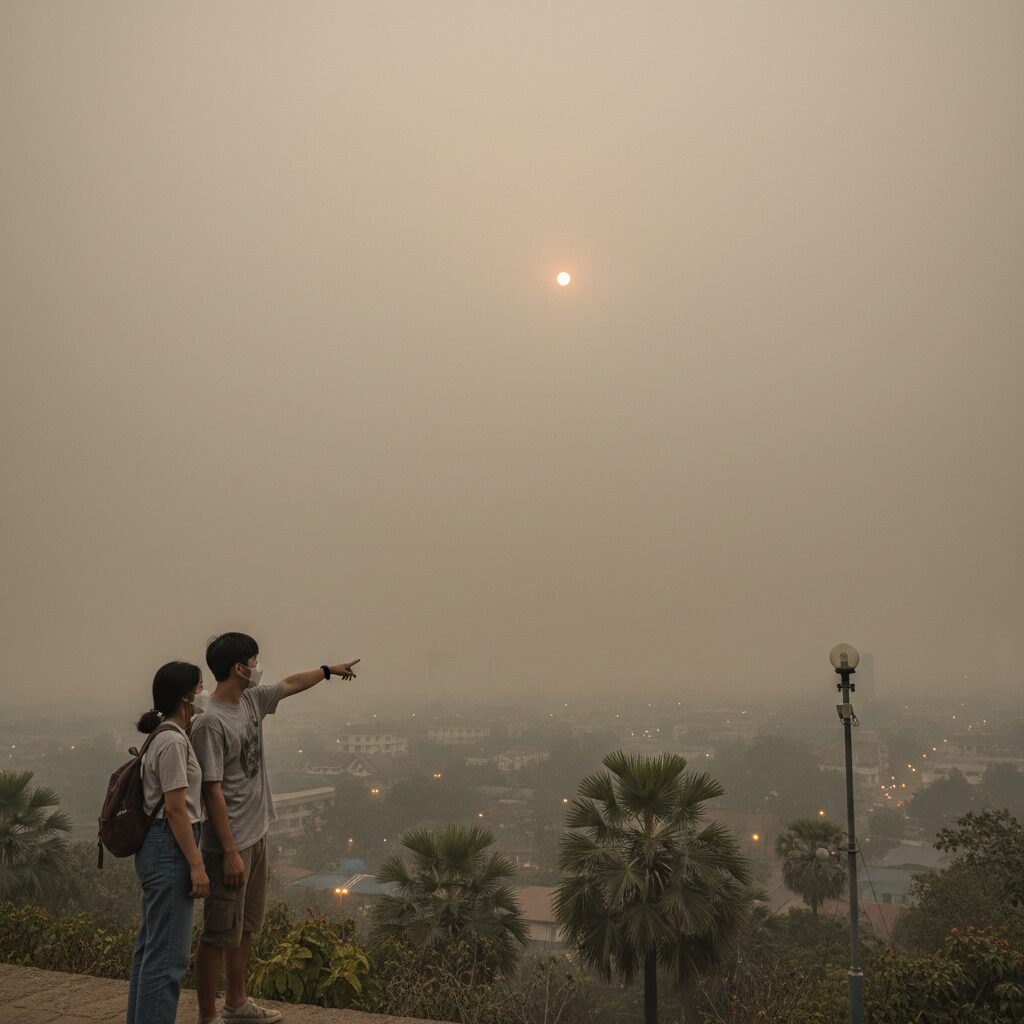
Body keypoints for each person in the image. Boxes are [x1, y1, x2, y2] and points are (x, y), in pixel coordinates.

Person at [190, 632, 359, 1024]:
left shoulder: (250, 700)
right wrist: (229, 852)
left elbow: (289, 684)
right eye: (254, 661)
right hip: (229, 845)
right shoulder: (210, 722)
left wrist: (328, 670)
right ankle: (207, 1017)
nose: (257, 667)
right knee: (217, 933)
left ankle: (236, 1003)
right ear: (239, 668)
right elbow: (211, 791)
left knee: (244, 928)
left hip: (256, 834)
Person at [127, 661, 210, 1024]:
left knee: (151, 951)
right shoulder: (173, 741)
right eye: (200, 687)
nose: (204, 693)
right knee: (167, 960)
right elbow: (176, 809)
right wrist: (196, 865)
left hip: (158, 846)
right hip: (170, 847)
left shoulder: (163, 735)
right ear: (185, 696)